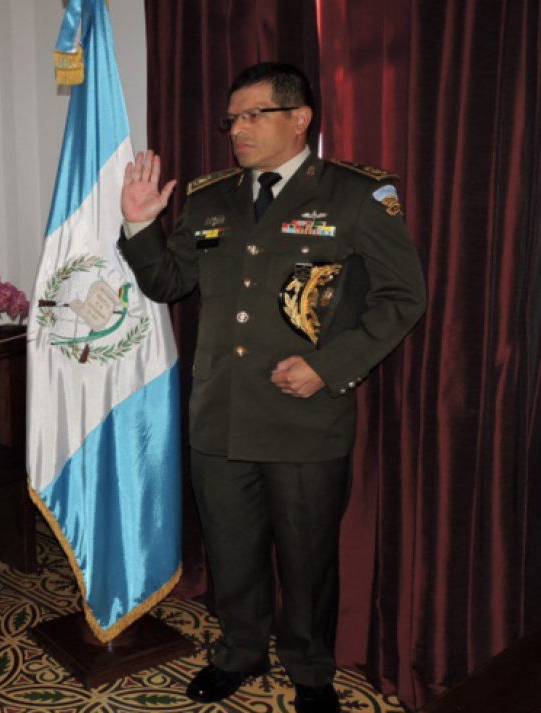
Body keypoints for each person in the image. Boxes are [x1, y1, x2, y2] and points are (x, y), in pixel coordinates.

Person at [118, 62, 426, 713]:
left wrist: (332, 364)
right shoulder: (209, 198)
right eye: (232, 117)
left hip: (304, 416)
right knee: (231, 549)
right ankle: (239, 650)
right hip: (221, 416)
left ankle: (311, 670)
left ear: (300, 118)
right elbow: (169, 282)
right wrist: (142, 226)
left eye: (255, 113)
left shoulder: (355, 195)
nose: (238, 128)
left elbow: (404, 296)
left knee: (309, 556)